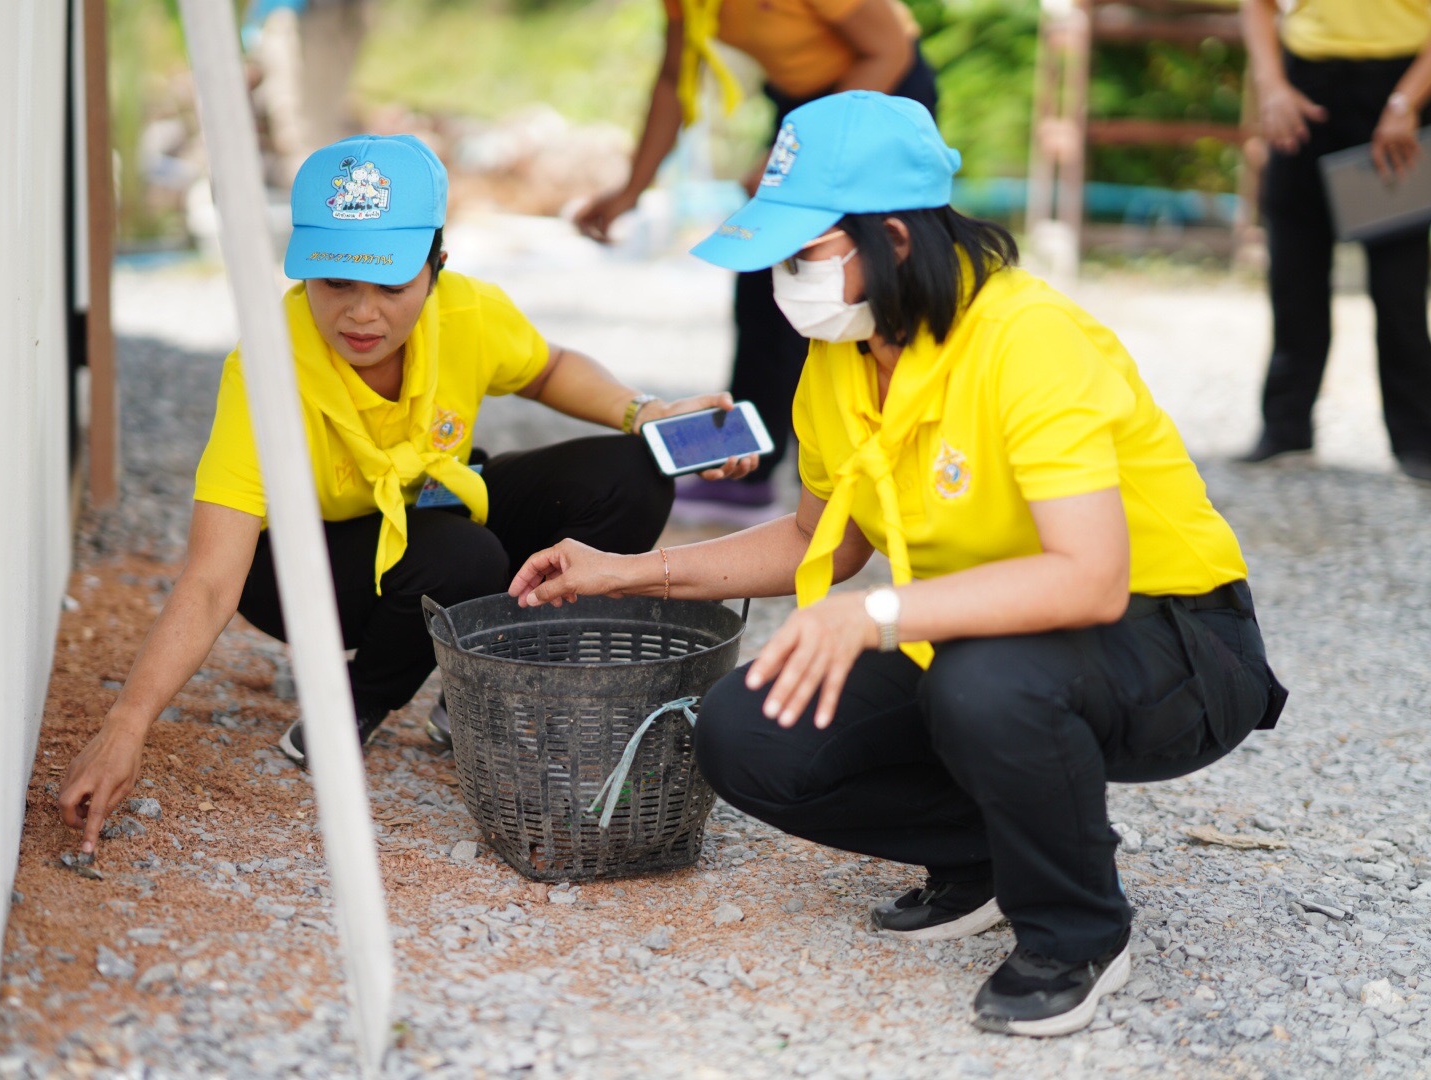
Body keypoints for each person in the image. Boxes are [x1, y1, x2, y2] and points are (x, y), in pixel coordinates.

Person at [511, 93, 1288, 1036]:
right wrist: (627, 571)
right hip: (986, 637)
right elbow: (822, 541)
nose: (784, 282)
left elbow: (1088, 577)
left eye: (803, 255)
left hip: (1174, 642)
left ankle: (1077, 930)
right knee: (748, 730)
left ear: (894, 238)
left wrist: (876, 617)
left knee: (980, 680)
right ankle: (991, 855)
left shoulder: (1028, 339)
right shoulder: (839, 352)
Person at [59, 134, 754, 854]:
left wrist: (645, 412)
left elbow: (547, 369)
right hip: (302, 568)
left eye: (391, 286)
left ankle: (477, 684)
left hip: (431, 512)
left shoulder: (467, 314)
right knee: (462, 556)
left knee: (632, 472)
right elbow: (210, 580)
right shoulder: (266, 369)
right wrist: (125, 726)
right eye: (335, 282)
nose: (361, 314)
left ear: (436, 268)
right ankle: (353, 705)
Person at [575, 0, 938, 511]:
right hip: (800, 108)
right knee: (766, 281)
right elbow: (674, 82)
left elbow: (888, 50)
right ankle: (747, 470)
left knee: (861, 281)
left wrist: (803, 151)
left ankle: (905, 457)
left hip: (881, 94)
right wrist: (633, 188)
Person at [1241, 0, 1431, 480]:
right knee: (1294, 269)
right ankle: (1285, 429)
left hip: (1399, 87)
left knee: (1399, 283)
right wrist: (1272, 85)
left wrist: (1406, 102)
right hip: (1305, 84)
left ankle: (1418, 440)